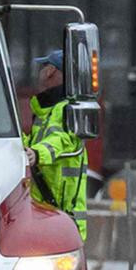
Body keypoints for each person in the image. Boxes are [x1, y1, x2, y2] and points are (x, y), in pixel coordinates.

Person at [22, 54, 92, 241]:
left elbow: (63, 140)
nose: (39, 72)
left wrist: (38, 154)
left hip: (62, 222)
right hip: (48, 217)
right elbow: (32, 147)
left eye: (43, 66)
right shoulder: (47, 111)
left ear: (50, 71)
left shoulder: (67, 109)